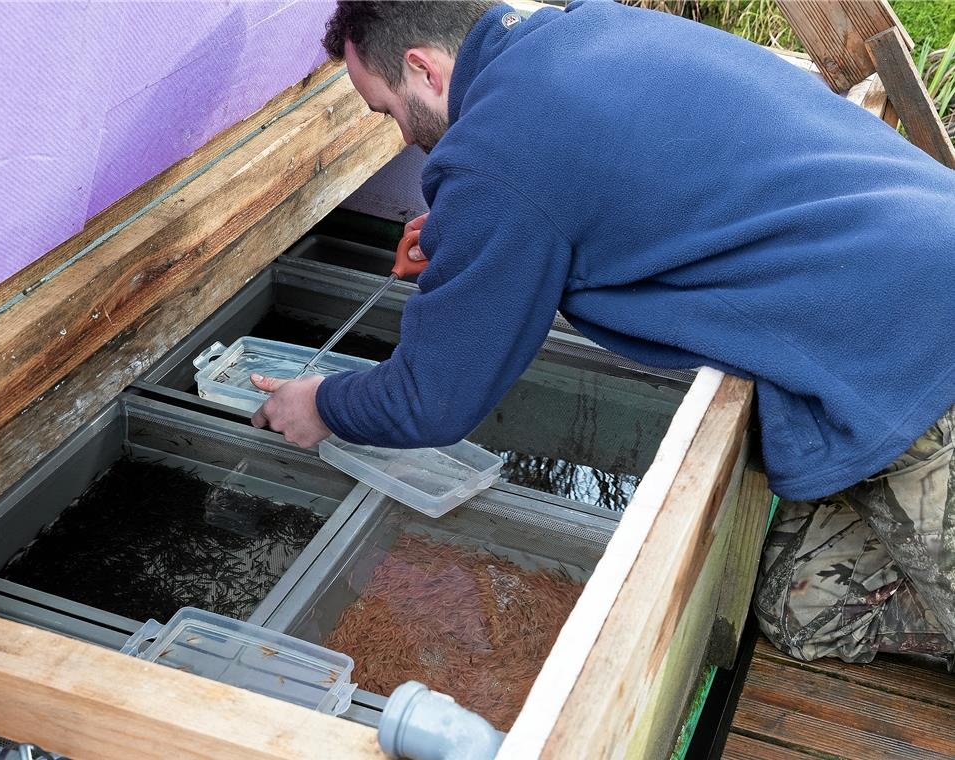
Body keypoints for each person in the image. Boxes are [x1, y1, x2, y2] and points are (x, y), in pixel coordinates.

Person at [248, 0, 955, 666]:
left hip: (921, 347)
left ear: (425, 68)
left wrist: (322, 406)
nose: (400, 136)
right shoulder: (578, 31)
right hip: (895, 283)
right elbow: (610, 173)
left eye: (389, 109)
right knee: (799, 611)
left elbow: (433, 400)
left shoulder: (499, 157)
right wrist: (469, 226)